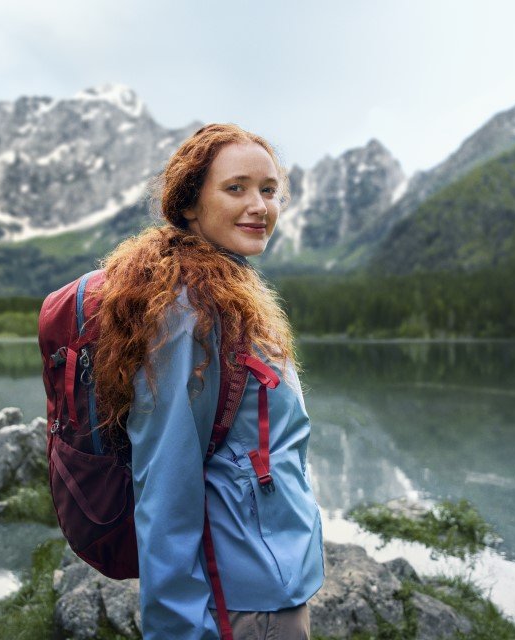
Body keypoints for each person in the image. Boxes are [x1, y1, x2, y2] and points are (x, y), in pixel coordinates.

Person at [92, 124, 324, 639]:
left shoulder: (228, 289)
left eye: (269, 190)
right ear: (190, 203)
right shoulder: (186, 311)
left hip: (269, 575)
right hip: (239, 597)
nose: (259, 205)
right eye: (236, 188)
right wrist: (176, 628)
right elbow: (165, 480)